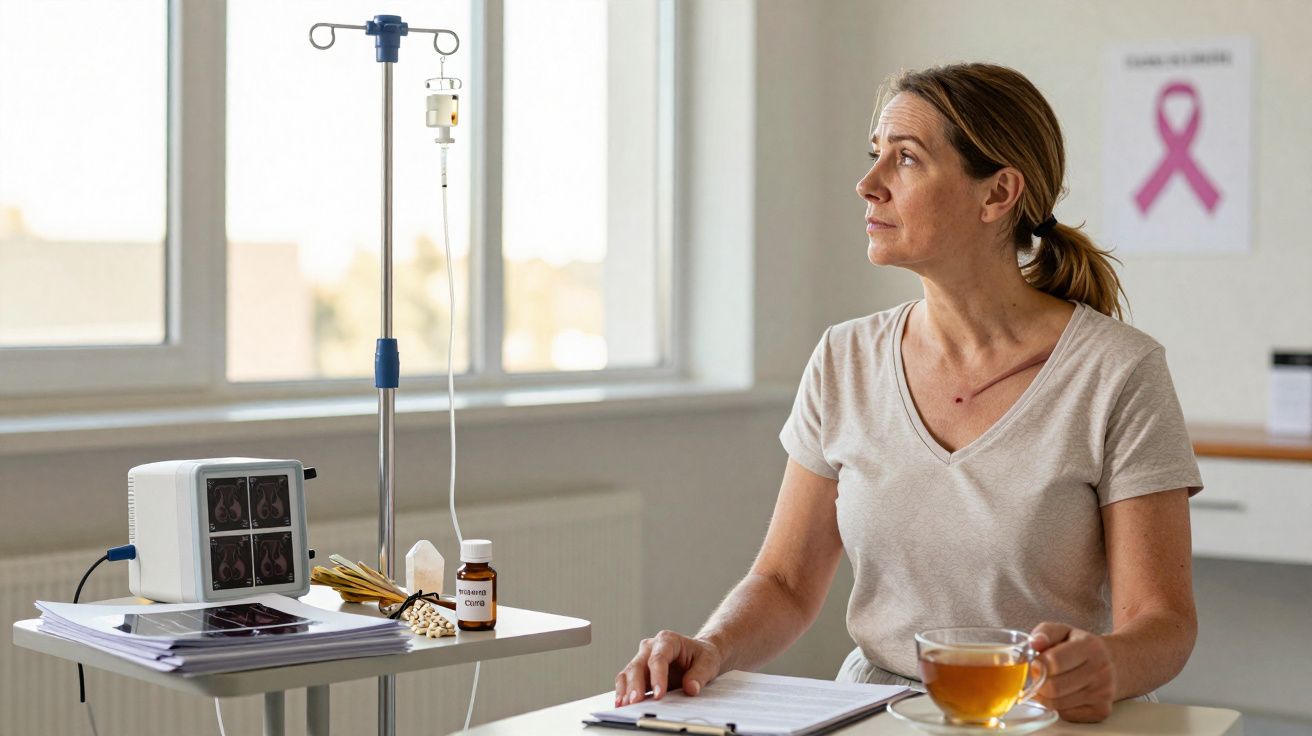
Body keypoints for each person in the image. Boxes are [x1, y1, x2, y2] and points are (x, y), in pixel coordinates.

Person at [614, 62, 1204, 724]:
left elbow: (1163, 622)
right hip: (877, 712)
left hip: (1044, 716)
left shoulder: (1119, 372)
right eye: (875, 157)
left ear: (998, 194)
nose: (868, 185)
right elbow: (784, 582)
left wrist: (1107, 664)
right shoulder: (844, 358)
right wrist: (711, 646)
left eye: (906, 160)